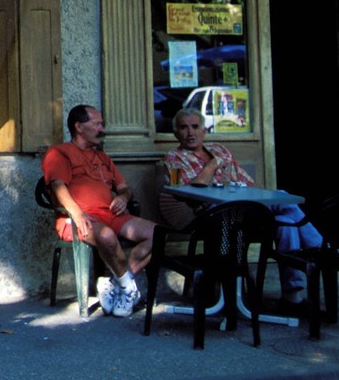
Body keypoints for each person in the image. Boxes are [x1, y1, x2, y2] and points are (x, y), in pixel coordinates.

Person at [161, 107, 324, 303]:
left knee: (286, 221)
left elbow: (248, 183)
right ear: (176, 133)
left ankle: (292, 293)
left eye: (195, 127)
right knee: (282, 197)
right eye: (183, 128)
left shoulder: (220, 149)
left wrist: (255, 197)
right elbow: (196, 188)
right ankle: (319, 248)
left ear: (204, 130)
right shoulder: (174, 157)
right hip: (213, 217)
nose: (190, 132)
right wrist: (212, 165)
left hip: (245, 211)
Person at [42, 104, 157, 317]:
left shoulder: (103, 158)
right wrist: (77, 213)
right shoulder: (58, 153)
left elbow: (124, 187)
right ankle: (129, 290)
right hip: (76, 219)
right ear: (79, 126)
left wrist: (123, 197)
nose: (102, 129)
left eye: (101, 124)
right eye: (97, 124)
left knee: (157, 234)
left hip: (111, 214)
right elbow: (58, 186)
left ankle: (116, 283)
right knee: (106, 236)